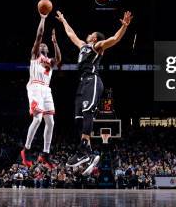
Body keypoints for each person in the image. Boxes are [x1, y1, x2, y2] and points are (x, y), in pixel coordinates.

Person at [56, 10, 132, 175]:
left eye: (91, 34)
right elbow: (71, 34)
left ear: (95, 38)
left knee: (87, 112)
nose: (88, 34)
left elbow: (114, 39)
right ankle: (88, 152)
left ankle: (84, 150)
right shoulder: (83, 45)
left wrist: (124, 26)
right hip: (82, 83)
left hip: (93, 80)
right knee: (78, 119)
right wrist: (63, 20)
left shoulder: (97, 46)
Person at [20, 12, 62, 170]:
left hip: (46, 89)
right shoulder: (34, 55)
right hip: (35, 86)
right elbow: (39, 35)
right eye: (41, 45)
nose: (43, 45)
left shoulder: (50, 62)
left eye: (46, 45)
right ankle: (26, 150)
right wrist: (43, 18)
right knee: (37, 119)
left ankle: (45, 153)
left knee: (50, 122)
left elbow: (58, 61)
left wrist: (55, 42)